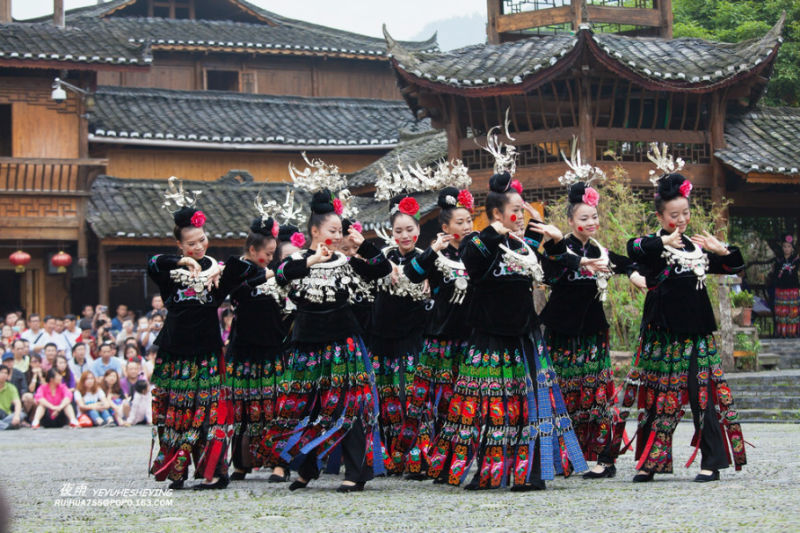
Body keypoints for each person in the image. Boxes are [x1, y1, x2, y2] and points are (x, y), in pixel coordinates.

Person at [426, 170, 588, 490]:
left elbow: (553, 273)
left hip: (525, 335)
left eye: (521, 208)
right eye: (514, 209)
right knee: (491, 406)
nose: (519, 215)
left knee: (530, 404)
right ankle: (489, 471)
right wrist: (493, 232)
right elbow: (474, 262)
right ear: (497, 213)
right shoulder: (477, 240)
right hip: (490, 335)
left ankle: (533, 474)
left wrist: (555, 242)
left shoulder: (523, 243)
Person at [259, 185, 392, 493]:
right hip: (307, 346)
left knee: (350, 406)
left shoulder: (346, 262)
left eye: (341, 230)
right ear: (315, 231)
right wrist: (312, 260)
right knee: (308, 407)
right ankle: (305, 468)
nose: (338, 234)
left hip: (342, 345)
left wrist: (364, 245)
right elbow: (281, 274)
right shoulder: (300, 261)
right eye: (332, 230)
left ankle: (356, 471)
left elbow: (381, 269)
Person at [623, 162, 747, 483]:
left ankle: (712, 461)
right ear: (661, 217)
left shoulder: (696, 248)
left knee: (702, 394)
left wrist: (723, 250)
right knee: (657, 398)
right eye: (673, 215)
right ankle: (652, 462)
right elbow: (631, 248)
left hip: (697, 336)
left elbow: (733, 265)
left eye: (685, 213)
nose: (680, 220)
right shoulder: (653, 247)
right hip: (663, 336)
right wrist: (662, 242)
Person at [148, 180, 269, 491]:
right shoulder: (169, 272)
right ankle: (177, 471)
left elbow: (254, 273)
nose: (198, 247)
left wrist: (223, 269)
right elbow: (152, 263)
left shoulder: (218, 270)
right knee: (176, 412)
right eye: (191, 244)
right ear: (180, 245)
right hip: (175, 351)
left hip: (207, 352)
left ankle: (214, 473)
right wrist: (182, 262)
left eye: (202, 241)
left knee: (210, 413)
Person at [540, 174, 646, 479]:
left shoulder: (600, 250)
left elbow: (628, 264)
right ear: (572, 221)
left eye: (594, 216)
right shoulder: (558, 248)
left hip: (593, 334)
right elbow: (549, 270)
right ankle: (564, 456)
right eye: (584, 217)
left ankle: (604, 458)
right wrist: (566, 253)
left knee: (598, 394)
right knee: (562, 393)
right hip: (562, 333)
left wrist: (635, 276)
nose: (591, 221)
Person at [394, 186, 476, 479]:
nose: (466, 227)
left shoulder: (478, 250)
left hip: (471, 339)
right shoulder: (435, 254)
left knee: (463, 402)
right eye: (459, 222)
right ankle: (426, 459)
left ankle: (456, 460)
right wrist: (432, 251)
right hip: (439, 339)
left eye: (469, 221)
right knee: (432, 402)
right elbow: (412, 274)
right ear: (445, 227)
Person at [368, 192, 429, 476]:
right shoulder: (382, 258)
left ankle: (419, 457)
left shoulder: (427, 259)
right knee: (387, 397)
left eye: (410, 230)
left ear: (419, 230)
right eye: (398, 231)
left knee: (413, 397)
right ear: (391, 233)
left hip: (413, 336)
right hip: (382, 335)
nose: (404, 236)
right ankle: (392, 458)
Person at [226, 212, 286, 481]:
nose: (271, 258)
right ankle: (241, 462)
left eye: (275, 253)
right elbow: (242, 287)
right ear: (252, 249)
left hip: (272, 344)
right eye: (268, 252)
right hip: (244, 347)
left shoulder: (272, 271)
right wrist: (271, 273)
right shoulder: (237, 269)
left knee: (274, 405)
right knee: (243, 407)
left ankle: (279, 463)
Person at [770, 234, 799, 338]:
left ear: (792, 248)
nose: (787, 249)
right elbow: (774, 275)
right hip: (781, 290)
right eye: (785, 246)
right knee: (782, 312)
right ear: (782, 248)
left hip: (793, 289)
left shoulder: (796, 260)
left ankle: (793, 332)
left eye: (789, 246)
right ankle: (782, 333)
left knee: (792, 311)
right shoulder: (778, 261)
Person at [0, 365, 23, 430]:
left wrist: (16, 416)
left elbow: (17, 403)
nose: (3, 375)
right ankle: (7, 426)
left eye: (6, 373)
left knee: (21, 414)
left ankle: (3, 425)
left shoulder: (11, 388)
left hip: (6, 415)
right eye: (1, 372)